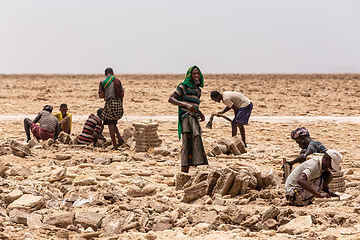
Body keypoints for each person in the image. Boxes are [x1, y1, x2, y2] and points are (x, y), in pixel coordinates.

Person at [168, 65, 208, 173]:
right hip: (186, 119)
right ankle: (183, 172)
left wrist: (200, 113)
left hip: (194, 119)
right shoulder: (183, 87)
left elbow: (194, 105)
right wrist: (185, 105)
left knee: (195, 144)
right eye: (194, 73)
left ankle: (187, 171)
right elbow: (171, 99)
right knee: (187, 144)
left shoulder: (198, 90)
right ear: (190, 76)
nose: (196, 75)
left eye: (197, 73)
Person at [98, 67, 125, 150]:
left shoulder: (103, 82)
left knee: (110, 124)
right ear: (113, 73)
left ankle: (115, 146)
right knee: (114, 123)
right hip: (118, 103)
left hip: (110, 104)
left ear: (105, 74)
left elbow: (101, 95)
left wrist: (106, 95)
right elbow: (122, 93)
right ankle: (120, 139)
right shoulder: (118, 81)